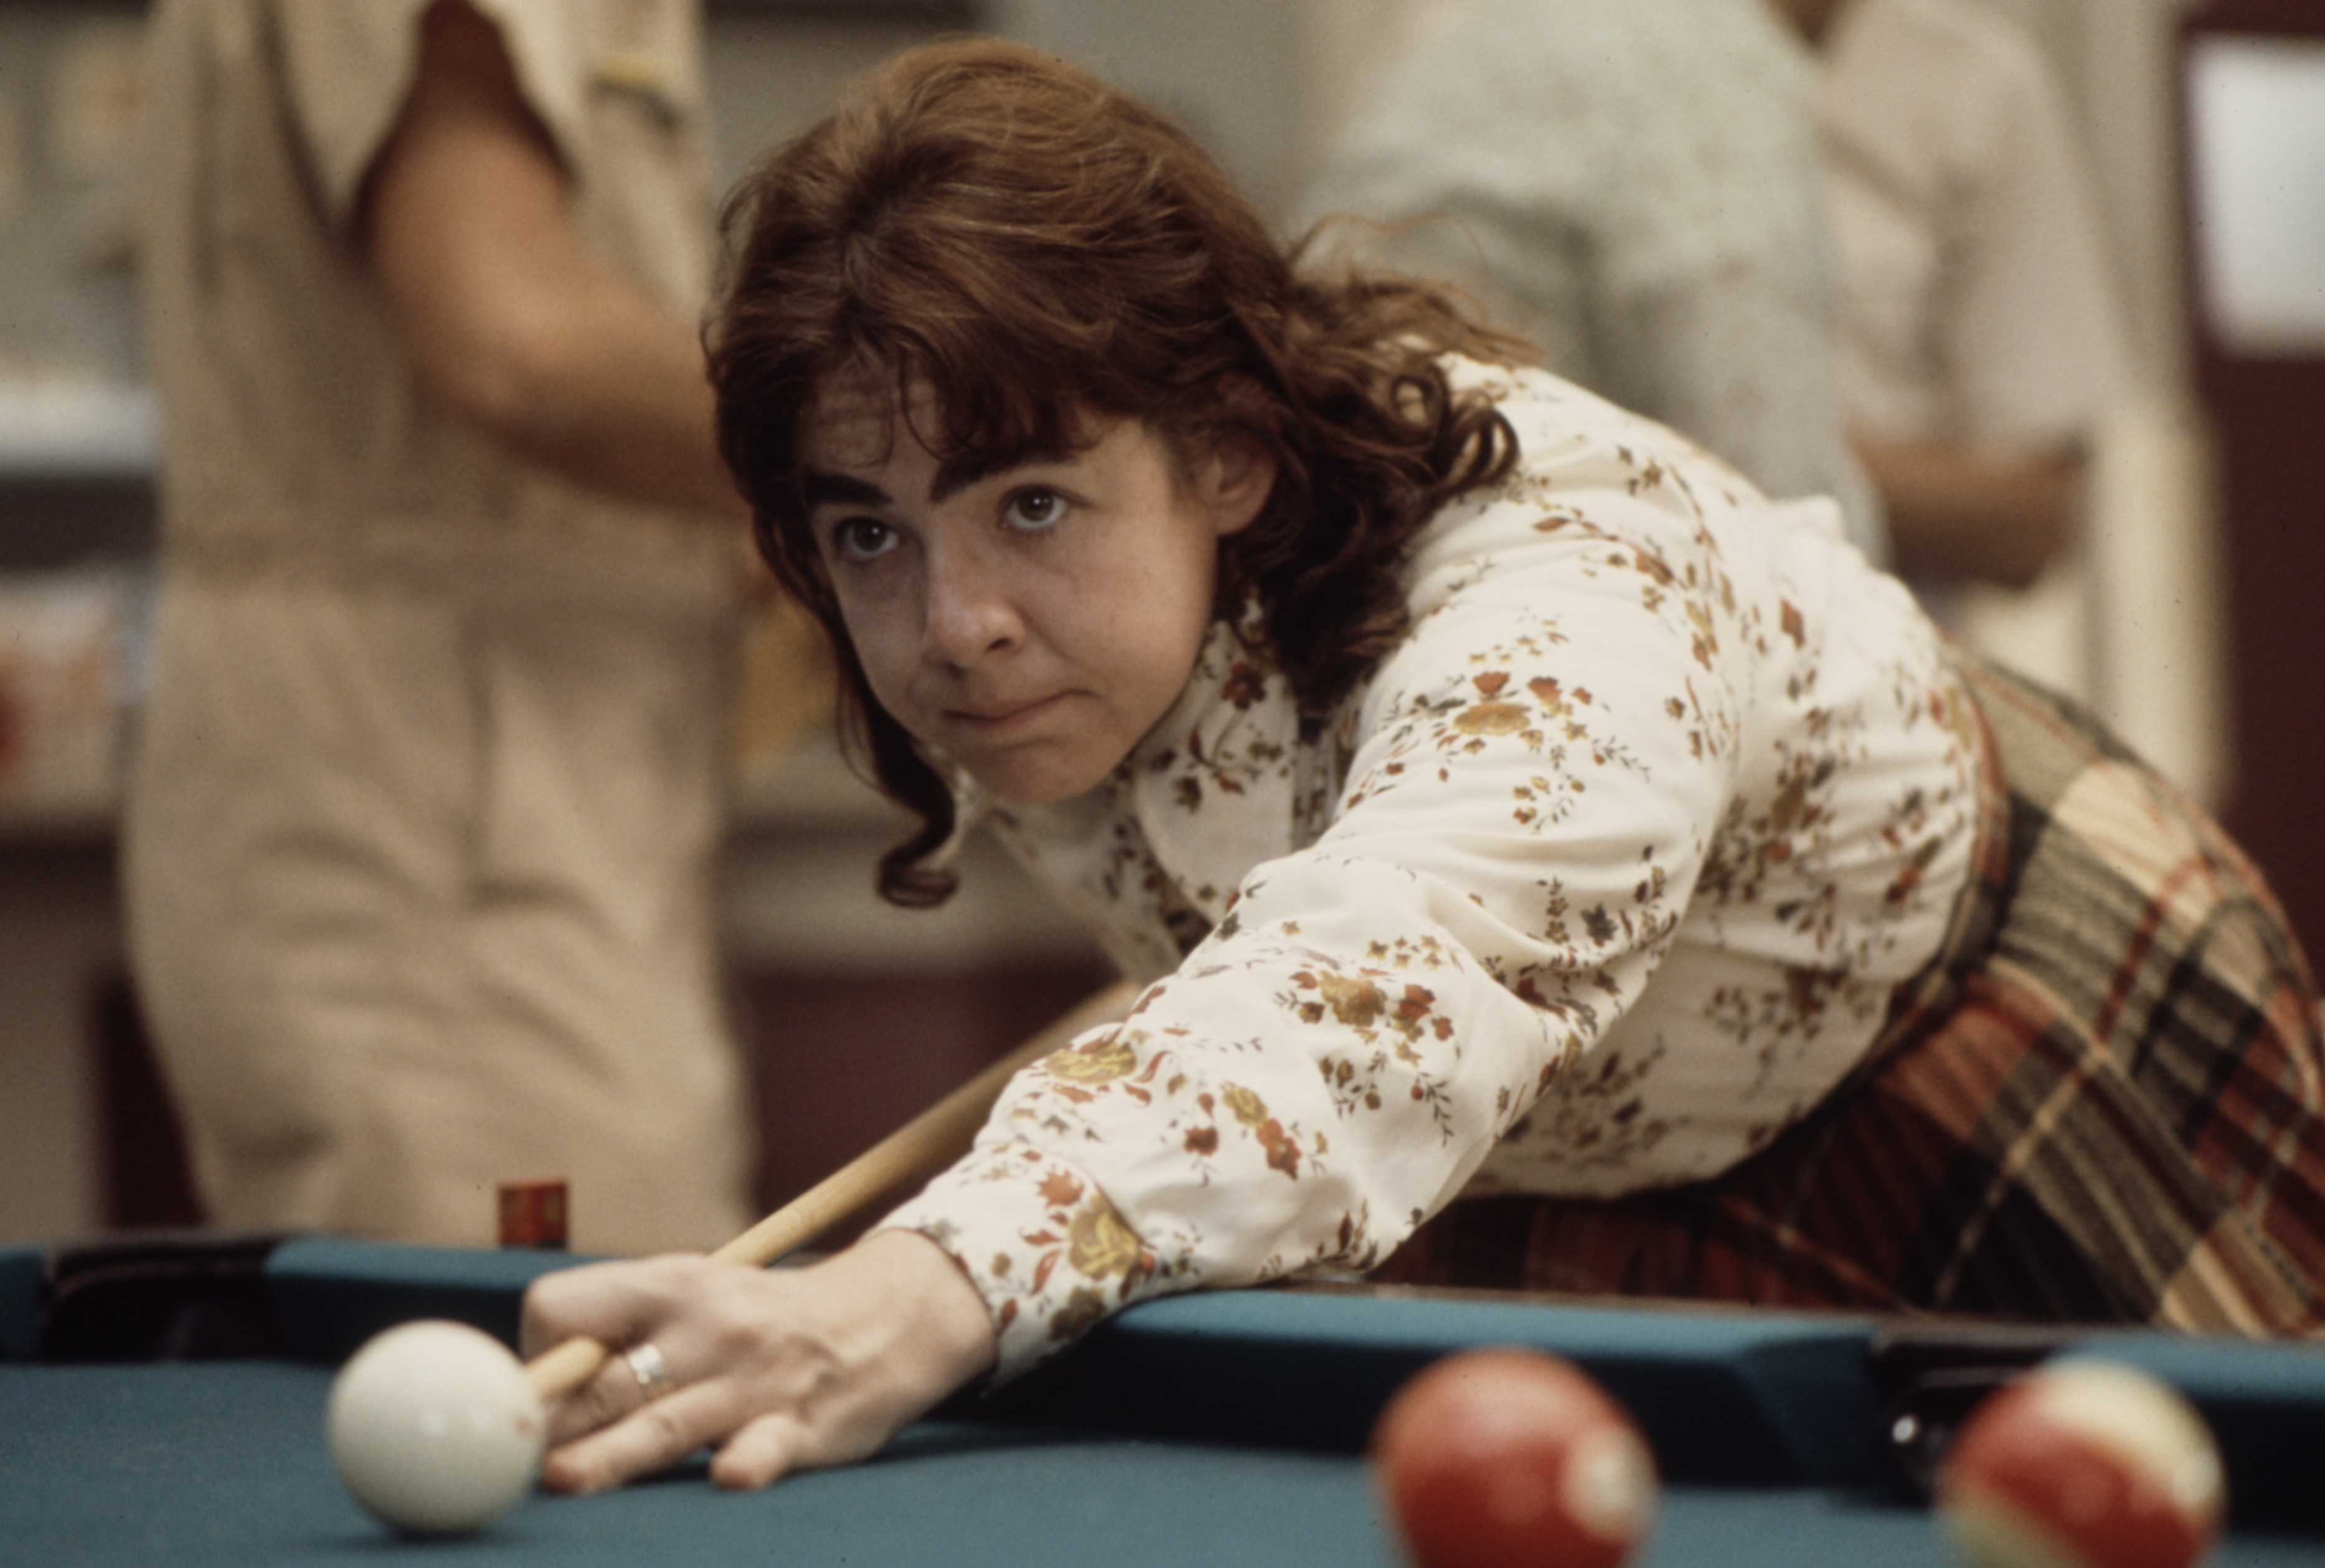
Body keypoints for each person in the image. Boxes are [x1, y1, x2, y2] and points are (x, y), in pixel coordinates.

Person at [521, 38, 2325, 1496]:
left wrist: (924, 1279)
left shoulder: (1552, 582)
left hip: (1966, 1037)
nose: (951, 622)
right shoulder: (1063, 637)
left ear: (1221, 451)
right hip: (1559, 1143)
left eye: (1032, 499)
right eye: (866, 533)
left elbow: (1395, 973)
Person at [127, 0, 763, 1252]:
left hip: (496, 778)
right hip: (444, 810)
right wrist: (918, 435)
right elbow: (513, 336)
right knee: (570, 1363)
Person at [1296, 0, 1886, 562]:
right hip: (1467, 557)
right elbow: (1778, 494)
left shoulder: (1518, 26)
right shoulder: (1714, 66)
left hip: (1320, 539)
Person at [1776, 0, 2134, 602]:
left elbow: (2034, 512)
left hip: (1879, 634)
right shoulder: (1601, 61)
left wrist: (1742, 455)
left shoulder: (1977, 82)